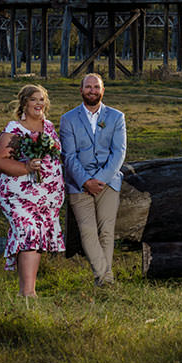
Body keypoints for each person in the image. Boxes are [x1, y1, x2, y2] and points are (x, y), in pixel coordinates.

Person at [0, 83, 65, 297]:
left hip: (48, 195)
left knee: (37, 237)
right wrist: (26, 167)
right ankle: (28, 292)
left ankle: (27, 292)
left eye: (42, 99)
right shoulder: (15, 129)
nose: (39, 103)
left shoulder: (49, 127)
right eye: (34, 99)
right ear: (24, 103)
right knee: (27, 232)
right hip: (19, 193)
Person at [60, 73, 127, 287]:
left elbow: (119, 152)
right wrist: (86, 181)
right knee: (87, 230)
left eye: (96, 87)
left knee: (107, 231)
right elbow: (69, 156)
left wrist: (100, 179)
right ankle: (106, 278)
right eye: (88, 87)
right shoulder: (68, 119)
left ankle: (102, 281)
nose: (92, 90)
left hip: (108, 181)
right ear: (81, 90)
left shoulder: (117, 117)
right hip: (79, 183)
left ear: (103, 90)